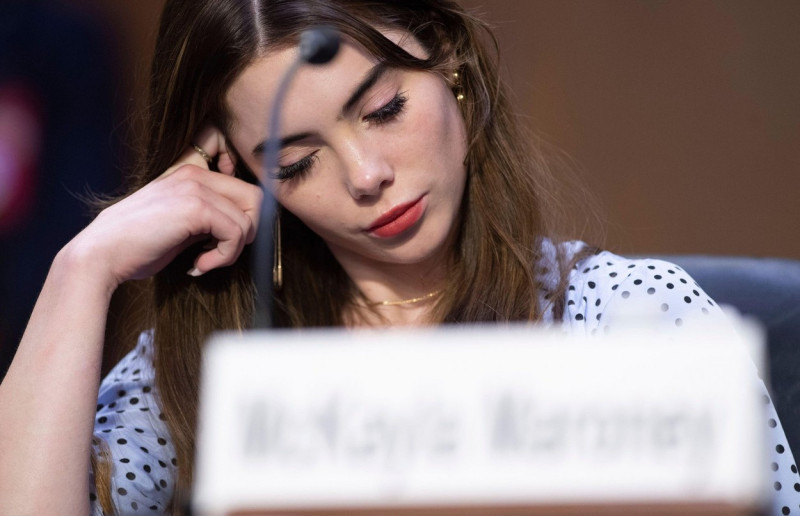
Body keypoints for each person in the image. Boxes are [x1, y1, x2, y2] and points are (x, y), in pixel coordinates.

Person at [0, 1, 797, 514]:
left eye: (383, 109)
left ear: (450, 63)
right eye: (296, 162)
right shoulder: (195, 371)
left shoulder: (626, 318)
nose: (367, 175)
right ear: (237, 175)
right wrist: (85, 267)